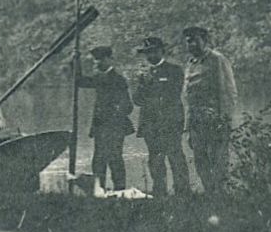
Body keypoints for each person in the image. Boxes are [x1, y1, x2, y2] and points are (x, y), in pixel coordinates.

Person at [182, 25, 239, 194]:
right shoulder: (191, 64)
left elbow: (228, 92)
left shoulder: (217, 60)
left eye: (195, 41)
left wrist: (224, 120)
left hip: (215, 121)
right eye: (188, 42)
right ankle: (210, 195)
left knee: (218, 161)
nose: (191, 45)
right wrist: (187, 127)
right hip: (196, 122)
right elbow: (188, 98)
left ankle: (221, 198)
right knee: (200, 161)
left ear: (205, 41)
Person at [133, 36, 190, 197]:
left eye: (153, 51)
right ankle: (159, 191)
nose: (150, 56)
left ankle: (183, 192)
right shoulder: (144, 74)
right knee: (155, 159)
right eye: (147, 53)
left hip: (170, 122)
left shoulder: (174, 70)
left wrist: (152, 84)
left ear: (161, 51)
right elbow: (137, 100)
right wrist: (144, 84)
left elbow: (173, 94)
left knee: (175, 156)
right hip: (150, 123)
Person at [74, 46, 133, 190]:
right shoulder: (99, 78)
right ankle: (99, 190)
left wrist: (113, 118)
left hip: (114, 128)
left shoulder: (118, 80)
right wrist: (76, 62)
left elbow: (128, 106)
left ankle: (120, 189)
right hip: (100, 128)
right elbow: (80, 82)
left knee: (115, 159)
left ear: (108, 59)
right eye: (95, 60)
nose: (97, 63)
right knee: (99, 161)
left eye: (99, 60)